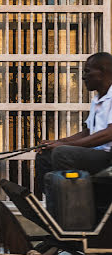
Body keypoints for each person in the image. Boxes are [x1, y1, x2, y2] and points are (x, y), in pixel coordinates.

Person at [35, 52, 112, 197]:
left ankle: (75, 205)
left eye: (87, 71)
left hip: (108, 158)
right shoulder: (97, 99)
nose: (83, 77)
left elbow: (109, 133)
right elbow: (88, 132)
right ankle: (55, 205)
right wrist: (58, 142)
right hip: (96, 155)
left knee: (62, 153)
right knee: (45, 154)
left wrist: (65, 146)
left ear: (102, 72)